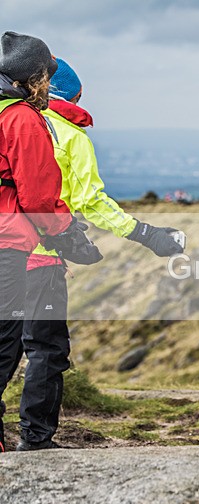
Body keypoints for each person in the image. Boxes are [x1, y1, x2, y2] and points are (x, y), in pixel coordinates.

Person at [10, 57, 186, 452]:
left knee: (7, 347)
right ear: (71, 96)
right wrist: (146, 234)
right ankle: (35, 439)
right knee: (46, 349)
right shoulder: (70, 135)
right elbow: (92, 202)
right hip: (40, 258)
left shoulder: (9, 120)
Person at [0, 31, 77, 452]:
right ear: (34, 78)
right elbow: (38, 195)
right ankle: (33, 440)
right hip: (10, 244)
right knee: (10, 343)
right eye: (47, 75)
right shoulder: (22, 118)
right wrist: (67, 236)